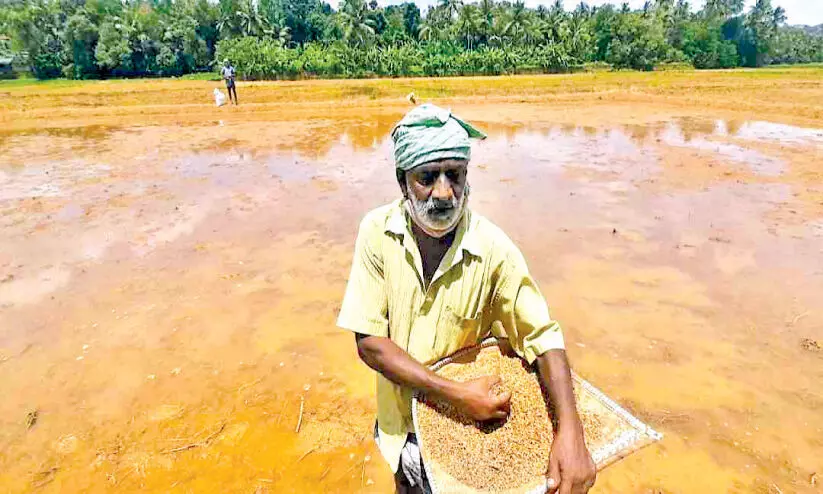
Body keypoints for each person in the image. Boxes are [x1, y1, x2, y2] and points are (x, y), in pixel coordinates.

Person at [337, 104, 596, 494]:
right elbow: (371, 345)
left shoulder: (493, 249)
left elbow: (542, 338)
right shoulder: (376, 232)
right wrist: (456, 394)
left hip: (465, 440)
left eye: (454, 175)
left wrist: (570, 432)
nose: (444, 192)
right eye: (427, 177)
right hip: (399, 425)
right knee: (406, 485)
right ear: (402, 180)